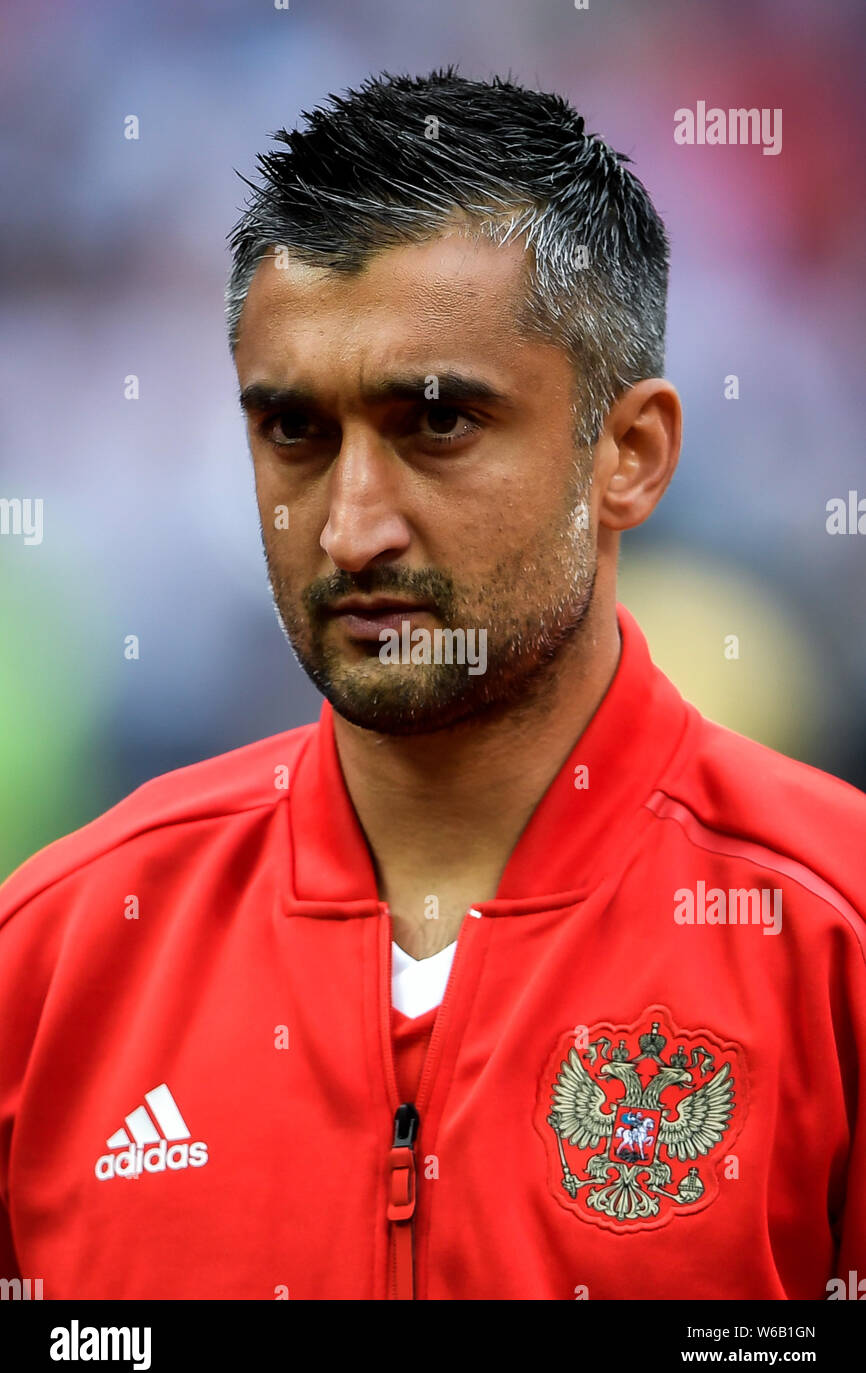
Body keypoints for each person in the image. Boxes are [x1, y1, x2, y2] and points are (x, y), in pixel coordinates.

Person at [0, 69, 863, 1301]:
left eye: (437, 423)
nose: (351, 526)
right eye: (294, 431)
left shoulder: (834, 944)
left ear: (628, 455)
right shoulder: (52, 962)